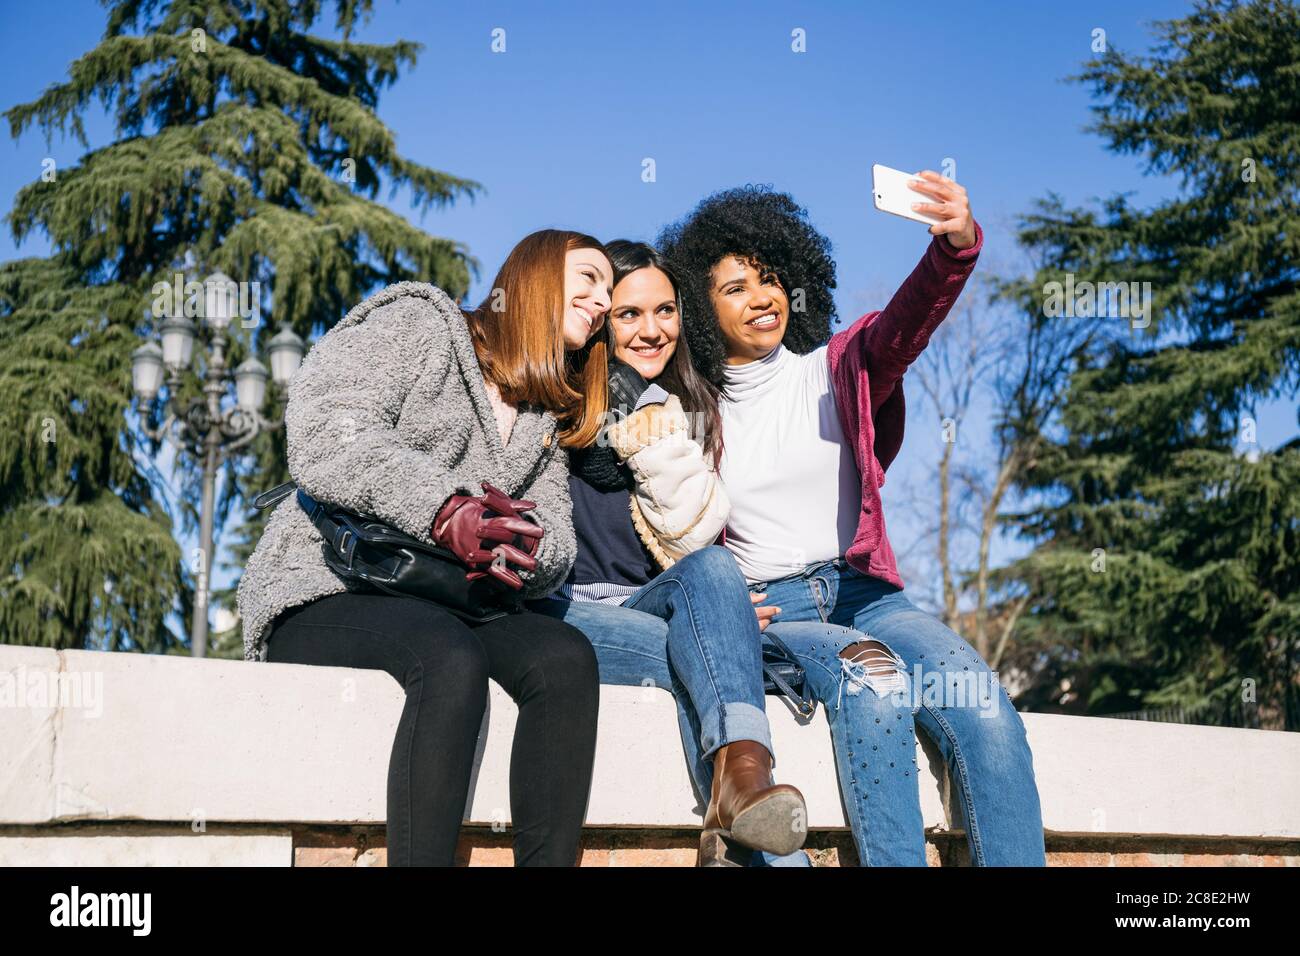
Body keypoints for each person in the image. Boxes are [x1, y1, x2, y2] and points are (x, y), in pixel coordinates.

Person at [656, 178, 1048, 866]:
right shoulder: (690, 412)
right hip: (778, 612)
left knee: (986, 709)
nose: (762, 298)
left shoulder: (838, 368)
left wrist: (953, 249)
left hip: (869, 596)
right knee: (875, 681)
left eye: (771, 279)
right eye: (735, 287)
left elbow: (908, 322)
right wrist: (724, 607)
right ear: (699, 306)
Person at [237, 230, 612, 866]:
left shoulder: (542, 414)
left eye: (609, 289)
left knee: (565, 656)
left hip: (447, 598)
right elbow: (325, 434)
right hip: (328, 583)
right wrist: (445, 509)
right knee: (449, 658)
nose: (602, 300)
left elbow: (556, 545)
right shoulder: (418, 321)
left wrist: (516, 540)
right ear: (536, 272)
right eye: (590, 277)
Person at [529, 240, 812, 866]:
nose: (652, 330)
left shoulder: (692, 413)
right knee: (707, 661)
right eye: (629, 314)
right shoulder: (554, 400)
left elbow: (693, 545)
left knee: (713, 573)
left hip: (653, 607)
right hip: (565, 615)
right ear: (601, 320)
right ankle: (751, 818)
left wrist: (723, 611)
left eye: (666, 311)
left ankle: (741, 790)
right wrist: (724, 631)